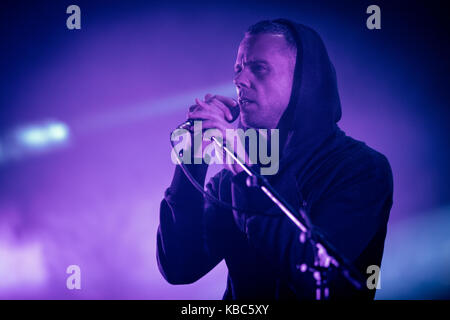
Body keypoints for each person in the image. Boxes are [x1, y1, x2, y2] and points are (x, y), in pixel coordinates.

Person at [156, 19, 393, 299]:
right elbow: (180, 266)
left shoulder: (362, 169)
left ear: (305, 81)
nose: (239, 80)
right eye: (238, 69)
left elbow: (311, 272)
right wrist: (191, 162)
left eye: (259, 68)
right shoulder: (233, 175)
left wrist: (244, 170)